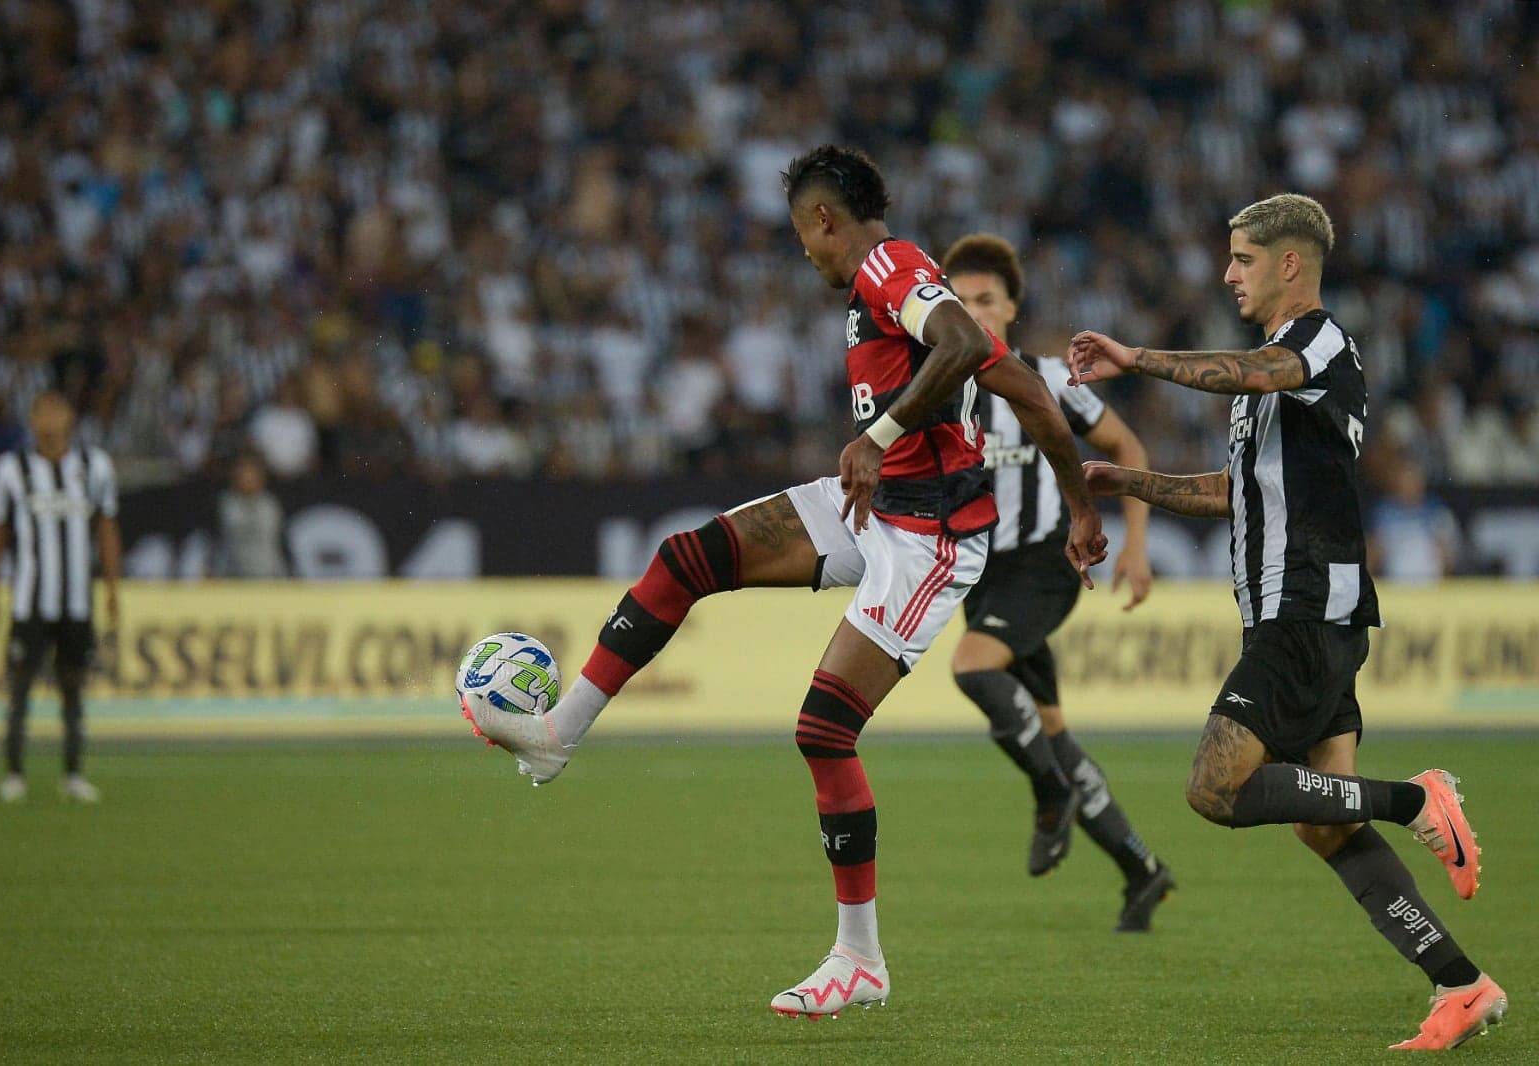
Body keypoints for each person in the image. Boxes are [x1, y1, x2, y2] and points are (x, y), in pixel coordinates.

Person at [467, 145, 1107, 1018]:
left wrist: (877, 440)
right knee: (685, 560)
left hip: (933, 537)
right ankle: (557, 735)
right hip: (877, 508)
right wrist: (1081, 507)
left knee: (823, 731)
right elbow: (1025, 388)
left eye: (800, 234)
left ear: (822, 220)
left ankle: (861, 959)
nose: (801, 252)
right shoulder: (893, 283)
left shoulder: (891, 266)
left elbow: (959, 344)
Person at [1067, 193, 1507, 1051]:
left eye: (1241, 259)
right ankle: (1463, 984)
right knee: (1324, 820)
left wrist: (1134, 358)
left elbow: (1251, 371)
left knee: (1214, 788)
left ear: (1289, 263)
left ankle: (1418, 799)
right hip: (1293, 606)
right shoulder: (1274, 375)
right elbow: (1237, 495)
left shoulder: (1318, 343)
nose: (1228, 273)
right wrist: (1131, 486)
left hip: (1304, 605)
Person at [941, 233, 1173, 930]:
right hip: (983, 577)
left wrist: (1136, 543)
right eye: (959, 301)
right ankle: (1142, 869)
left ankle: (1050, 800)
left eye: (986, 299)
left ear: (1011, 306)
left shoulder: (1049, 378)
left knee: (974, 668)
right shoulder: (941, 391)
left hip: (1045, 564)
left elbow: (1127, 448)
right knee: (1052, 731)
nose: (974, 311)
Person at [0, 391, 122, 804]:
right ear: (30, 418)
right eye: (41, 410)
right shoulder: (12, 468)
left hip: (77, 600)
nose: (48, 418)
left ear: (71, 417)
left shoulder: (94, 466)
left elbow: (107, 528)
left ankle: (74, 773)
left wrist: (112, 588)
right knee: (20, 686)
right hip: (30, 600)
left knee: (74, 687)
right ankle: (13, 772)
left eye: (56, 409)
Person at [217, 451, 288, 578]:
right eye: (243, 473)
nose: (247, 478)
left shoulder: (269, 505)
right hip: (232, 576)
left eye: (251, 473)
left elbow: (273, 542)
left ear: (261, 477)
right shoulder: (226, 504)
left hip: (268, 576)